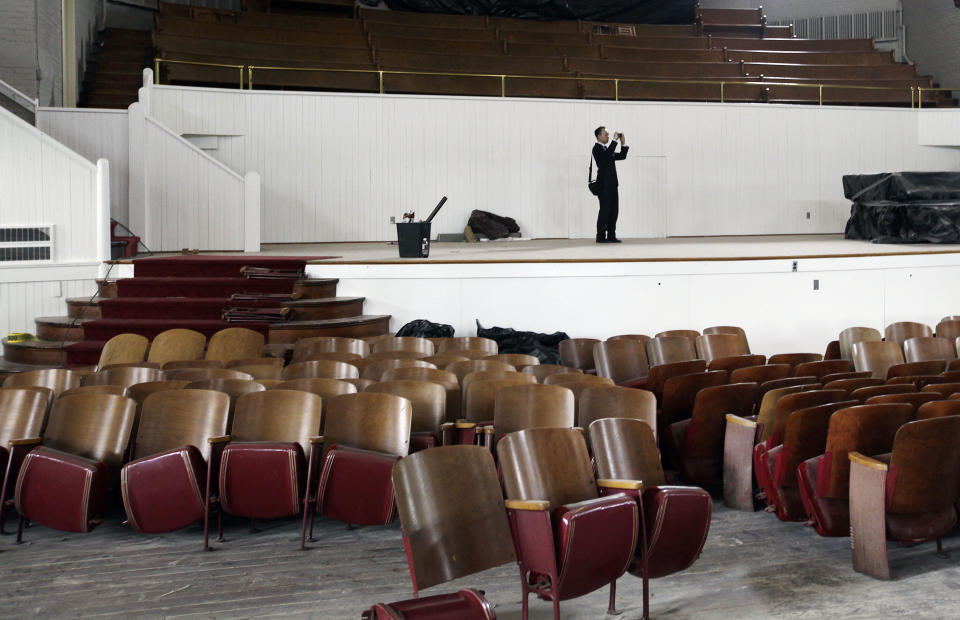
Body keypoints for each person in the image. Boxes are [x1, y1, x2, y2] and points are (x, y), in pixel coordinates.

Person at [592, 126, 629, 243]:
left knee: (614, 212)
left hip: (613, 185)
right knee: (604, 211)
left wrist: (623, 143)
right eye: (606, 134)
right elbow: (607, 156)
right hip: (604, 186)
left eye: (608, 134)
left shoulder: (607, 149)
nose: (608, 136)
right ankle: (600, 236)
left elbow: (622, 156)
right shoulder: (597, 148)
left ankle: (611, 235)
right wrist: (614, 141)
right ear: (599, 136)